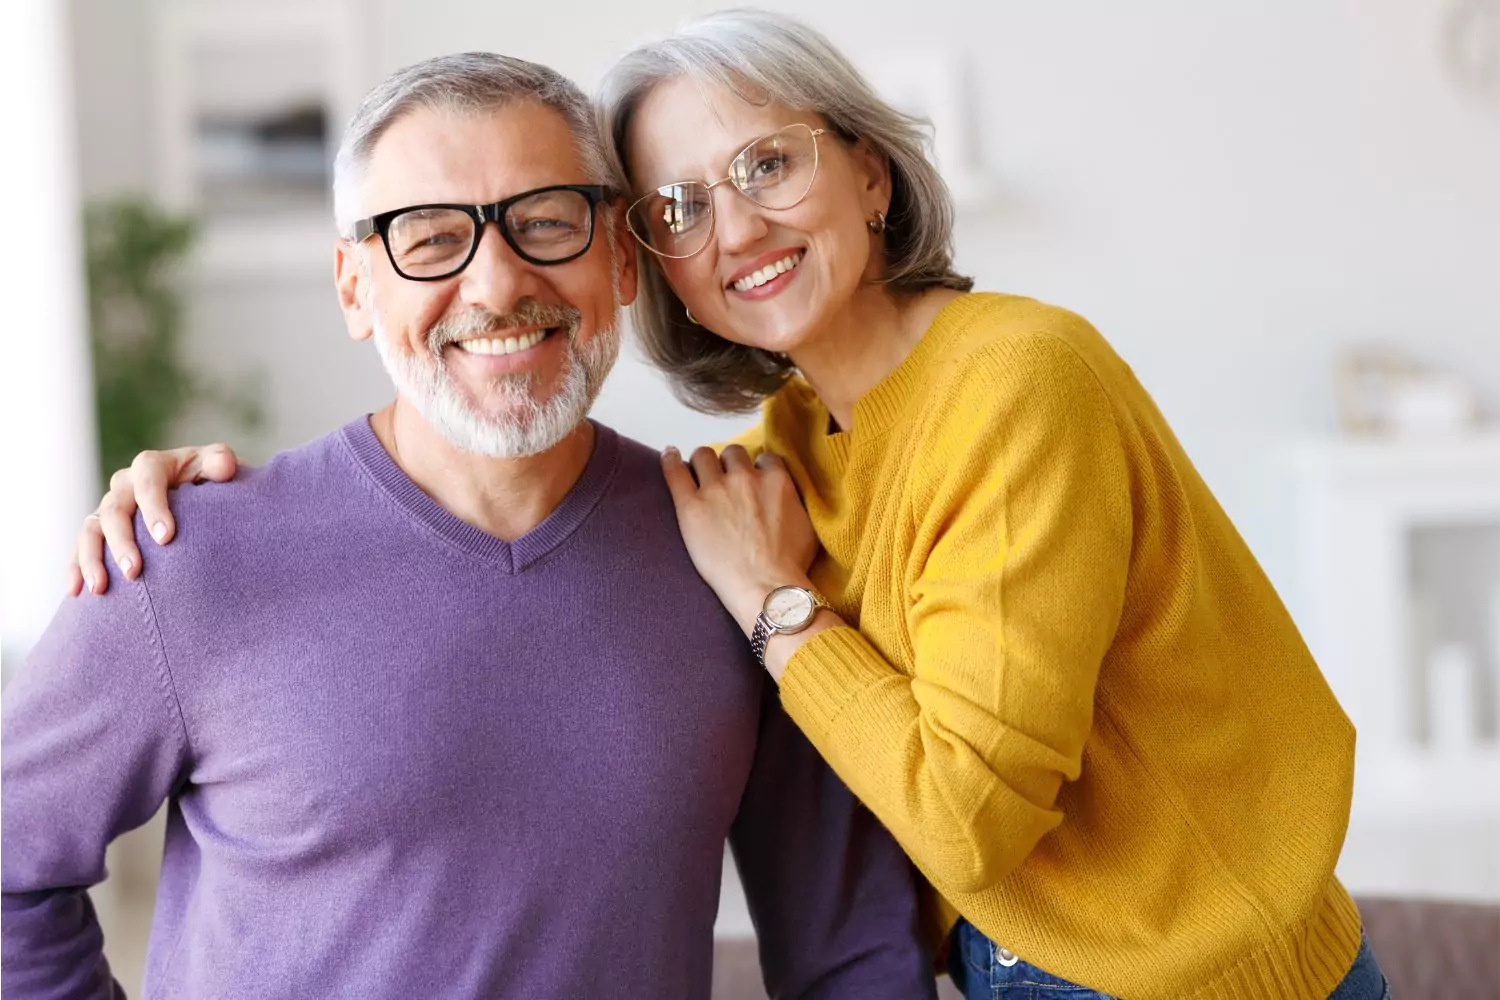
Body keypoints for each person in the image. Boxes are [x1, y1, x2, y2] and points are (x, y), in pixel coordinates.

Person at [65, 11, 1394, 1000]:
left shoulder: (868, 466)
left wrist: (776, 607)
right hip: (1022, 958)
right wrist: (194, 532)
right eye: (683, 205)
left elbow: (897, 888)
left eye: (770, 166)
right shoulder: (778, 465)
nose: (492, 281)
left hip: (1177, 969)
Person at [4, 51, 937, 1000]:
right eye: (431, 237)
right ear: (355, 288)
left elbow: (851, 950)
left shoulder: (741, 556)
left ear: (620, 257)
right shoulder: (189, 558)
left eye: (544, 222)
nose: (496, 285)